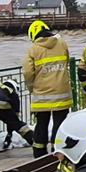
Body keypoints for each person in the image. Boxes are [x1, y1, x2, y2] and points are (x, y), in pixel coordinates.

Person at [23, 19, 73, 158]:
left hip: (41, 94)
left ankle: (39, 153)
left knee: (41, 124)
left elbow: (27, 73)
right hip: (62, 93)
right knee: (60, 123)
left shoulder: (33, 49)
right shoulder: (62, 43)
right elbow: (67, 61)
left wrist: (32, 88)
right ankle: (58, 151)